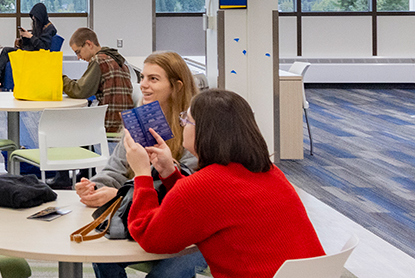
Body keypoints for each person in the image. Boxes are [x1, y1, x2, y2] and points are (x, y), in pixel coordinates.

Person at [123, 89, 324, 278]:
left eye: (187, 120)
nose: (183, 124)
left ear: (204, 132)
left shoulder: (203, 186)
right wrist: (169, 172)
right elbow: (211, 205)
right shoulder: (270, 172)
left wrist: (142, 174)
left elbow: (149, 237)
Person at [78, 51, 202, 278]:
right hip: (143, 216)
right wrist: (94, 187)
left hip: (190, 228)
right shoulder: (140, 120)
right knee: (101, 253)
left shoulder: (193, 127)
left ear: (177, 86)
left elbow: (186, 193)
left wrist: (120, 195)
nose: (143, 85)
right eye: (142, 78)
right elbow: (114, 169)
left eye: (153, 79)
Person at [62, 27, 134, 133]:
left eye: (78, 52)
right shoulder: (116, 59)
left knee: (68, 125)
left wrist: (59, 77)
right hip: (125, 124)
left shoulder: (98, 60)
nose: (78, 57)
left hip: (109, 124)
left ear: (89, 44)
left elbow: (79, 91)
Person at [0, 2, 58, 80]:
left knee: (6, 51)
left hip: (35, 55)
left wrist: (30, 36)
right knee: (6, 50)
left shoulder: (49, 29)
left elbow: (44, 47)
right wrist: (25, 36)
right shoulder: (39, 26)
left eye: (34, 17)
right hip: (29, 52)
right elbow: (30, 44)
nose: (33, 18)